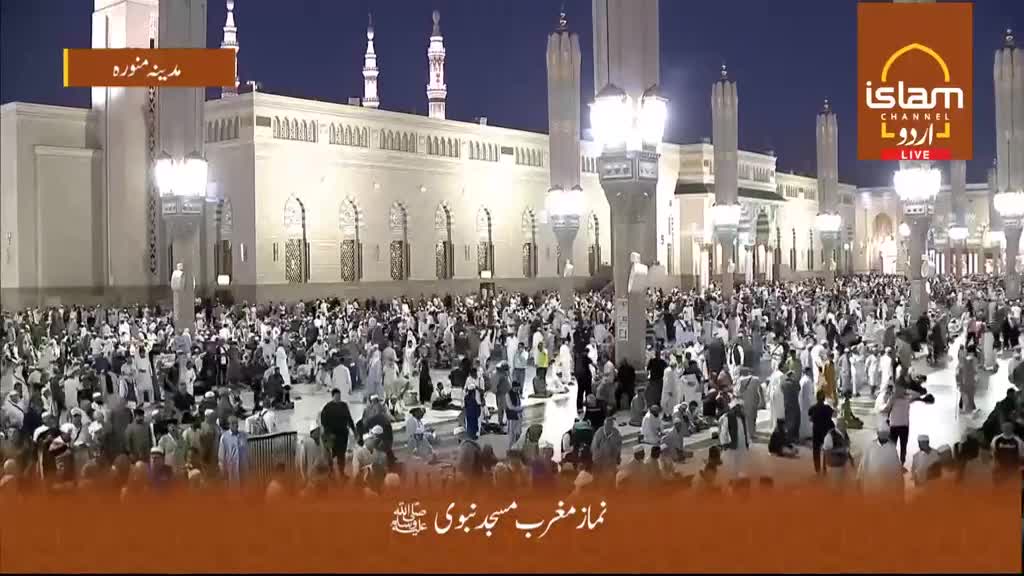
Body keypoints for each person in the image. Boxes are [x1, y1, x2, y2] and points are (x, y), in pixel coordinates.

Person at [320, 388, 357, 478]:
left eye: (339, 396)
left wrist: (354, 430)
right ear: (333, 396)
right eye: (336, 396)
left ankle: (341, 472)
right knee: (331, 455)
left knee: (341, 455)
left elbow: (349, 419)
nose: (338, 398)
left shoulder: (344, 406)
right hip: (332, 436)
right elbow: (324, 422)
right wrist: (328, 433)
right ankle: (330, 472)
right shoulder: (327, 407)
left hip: (343, 435)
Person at [857, 425, 903, 494]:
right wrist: (858, 477)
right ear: (878, 433)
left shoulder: (892, 448)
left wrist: (899, 483)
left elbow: (896, 467)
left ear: (888, 434)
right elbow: (863, 463)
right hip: (871, 483)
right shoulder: (870, 445)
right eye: (882, 433)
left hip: (887, 486)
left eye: (885, 433)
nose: (884, 435)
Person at [718, 400, 750, 478]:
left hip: (741, 441)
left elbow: (746, 429)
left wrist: (747, 441)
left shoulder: (743, 417)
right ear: (734, 408)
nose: (739, 409)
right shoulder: (728, 417)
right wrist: (724, 443)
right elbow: (724, 431)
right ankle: (730, 475)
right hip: (732, 442)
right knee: (731, 459)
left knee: (741, 458)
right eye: (737, 407)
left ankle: (739, 473)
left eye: (740, 407)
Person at [808, 389, 835, 475]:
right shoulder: (827, 408)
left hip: (816, 431)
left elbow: (810, 417)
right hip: (825, 431)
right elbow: (832, 414)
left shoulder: (812, 408)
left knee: (816, 450)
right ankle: (824, 467)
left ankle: (817, 469)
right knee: (825, 449)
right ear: (824, 399)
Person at [990, 420, 1024, 485]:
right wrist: (994, 466)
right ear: (1002, 428)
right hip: (1000, 469)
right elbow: (993, 453)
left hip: (1013, 470)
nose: (1007, 428)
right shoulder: (996, 439)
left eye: (1009, 427)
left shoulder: (1019, 441)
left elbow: (1021, 456)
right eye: (1005, 427)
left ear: (1013, 428)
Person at [821, 418, 854, 486]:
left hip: (842, 464)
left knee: (841, 486)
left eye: (846, 425)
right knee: (834, 486)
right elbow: (826, 450)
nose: (846, 427)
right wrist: (840, 450)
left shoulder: (845, 434)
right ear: (838, 425)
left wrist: (851, 459)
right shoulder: (830, 435)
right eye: (844, 425)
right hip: (833, 466)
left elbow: (846, 448)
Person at [218, 415, 247, 489]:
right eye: (233, 423)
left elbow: (247, 452)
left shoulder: (243, 435)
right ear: (229, 425)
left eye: (237, 423)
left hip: (243, 468)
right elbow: (221, 457)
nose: (236, 425)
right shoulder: (224, 437)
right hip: (231, 469)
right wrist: (223, 471)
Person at [296, 421, 330, 485]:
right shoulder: (306, 444)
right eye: (318, 430)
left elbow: (328, 458)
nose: (319, 432)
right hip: (312, 479)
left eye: (319, 430)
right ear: (312, 432)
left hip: (323, 478)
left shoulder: (323, 441)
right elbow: (302, 463)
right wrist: (304, 477)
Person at [505, 379, 524, 450]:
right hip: (512, 416)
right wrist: (519, 408)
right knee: (512, 434)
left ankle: (516, 448)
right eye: (518, 387)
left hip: (518, 416)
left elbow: (518, 402)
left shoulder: (516, 393)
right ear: (514, 387)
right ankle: (510, 449)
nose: (519, 389)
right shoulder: (508, 394)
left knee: (518, 433)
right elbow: (510, 406)